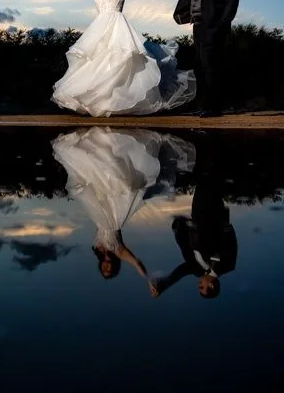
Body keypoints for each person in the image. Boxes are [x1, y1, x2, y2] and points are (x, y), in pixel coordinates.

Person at [51, 0, 197, 117]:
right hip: (99, 28)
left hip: (117, 27)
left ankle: (117, 102)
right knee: (96, 63)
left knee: (119, 62)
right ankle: (97, 102)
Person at [52, 127, 195, 294]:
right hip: (113, 214)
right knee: (117, 179)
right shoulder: (117, 250)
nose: (106, 267)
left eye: (104, 270)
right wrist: (149, 279)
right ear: (115, 267)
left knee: (98, 177)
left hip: (99, 210)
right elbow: (136, 263)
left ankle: (102, 142)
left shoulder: (98, 248)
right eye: (109, 270)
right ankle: (113, 143)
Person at [155, 0, 239, 117]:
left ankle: (214, 108)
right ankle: (204, 106)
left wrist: (220, 26)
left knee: (211, 66)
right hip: (198, 27)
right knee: (200, 66)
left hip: (214, 28)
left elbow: (231, 4)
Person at [149, 171, 238, 299]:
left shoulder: (197, 269)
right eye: (202, 287)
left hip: (197, 215)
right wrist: (223, 221)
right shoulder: (227, 265)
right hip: (213, 213)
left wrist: (163, 286)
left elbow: (181, 272)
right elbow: (230, 239)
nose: (199, 285)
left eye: (199, 288)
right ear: (212, 286)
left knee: (201, 180)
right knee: (212, 179)